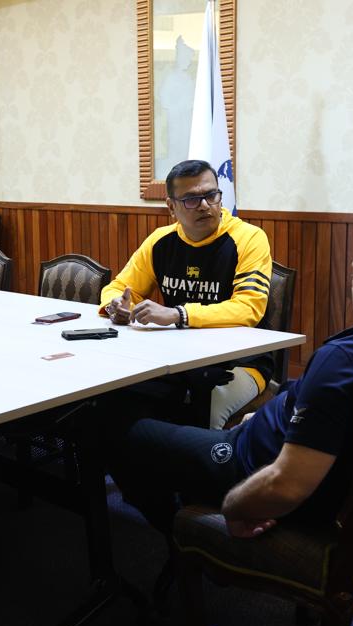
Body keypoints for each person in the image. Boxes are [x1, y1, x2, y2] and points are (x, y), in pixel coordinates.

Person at [107, 218, 353, 538]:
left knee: (125, 432)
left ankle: (182, 538)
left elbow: (286, 486)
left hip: (247, 464)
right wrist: (273, 412)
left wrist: (233, 509)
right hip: (280, 446)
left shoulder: (342, 359)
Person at [100, 159, 273, 428]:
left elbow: (249, 308)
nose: (204, 205)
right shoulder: (160, 241)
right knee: (119, 395)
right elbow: (118, 288)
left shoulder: (249, 238)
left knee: (207, 409)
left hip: (241, 361)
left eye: (211, 195)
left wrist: (179, 314)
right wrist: (117, 306)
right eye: (191, 199)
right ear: (171, 207)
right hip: (179, 357)